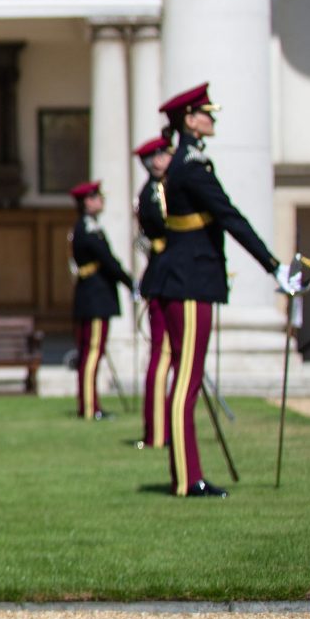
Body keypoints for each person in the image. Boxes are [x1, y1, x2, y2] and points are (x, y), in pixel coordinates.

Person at [143, 83, 305, 498]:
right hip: (190, 281)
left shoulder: (187, 163)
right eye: (206, 113)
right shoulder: (192, 167)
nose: (212, 119)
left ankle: (187, 473)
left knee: (186, 379)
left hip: (185, 277)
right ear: (190, 121)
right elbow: (230, 217)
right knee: (187, 382)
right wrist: (274, 267)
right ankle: (186, 478)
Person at [68, 180, 132, 421]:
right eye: (96, 198)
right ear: (87, 202)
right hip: (94, 298)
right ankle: (89, 406)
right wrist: (130, 282)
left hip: (91, 297)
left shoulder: (86, 227)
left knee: (90, 353)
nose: (100, 201)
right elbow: (108, 261)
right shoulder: (88, 229)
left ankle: (89, 403)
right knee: (92, 353)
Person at [133, 136, 174, 451]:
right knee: (161, 356)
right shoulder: (154, 193)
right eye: (163, 154)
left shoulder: (158, 189)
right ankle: (157, 430)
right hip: (163, 276)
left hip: (165, 275)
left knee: (165, 355)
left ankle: (161, 426)